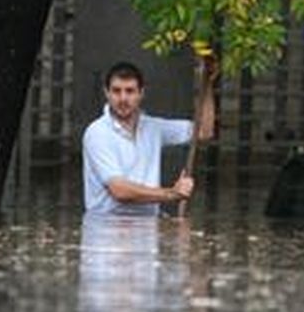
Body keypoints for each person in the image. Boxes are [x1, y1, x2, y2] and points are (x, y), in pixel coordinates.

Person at [82, 60, 215, 216]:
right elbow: (119, 191)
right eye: (116, 91)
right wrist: (171, 193)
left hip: (147, 223)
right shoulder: (97, 133)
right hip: (107, 224)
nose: (123, 98)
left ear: (141, 93)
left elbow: (204, 132)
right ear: (107, 93)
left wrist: (207, 83)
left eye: (130, 91)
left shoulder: (153, 128)